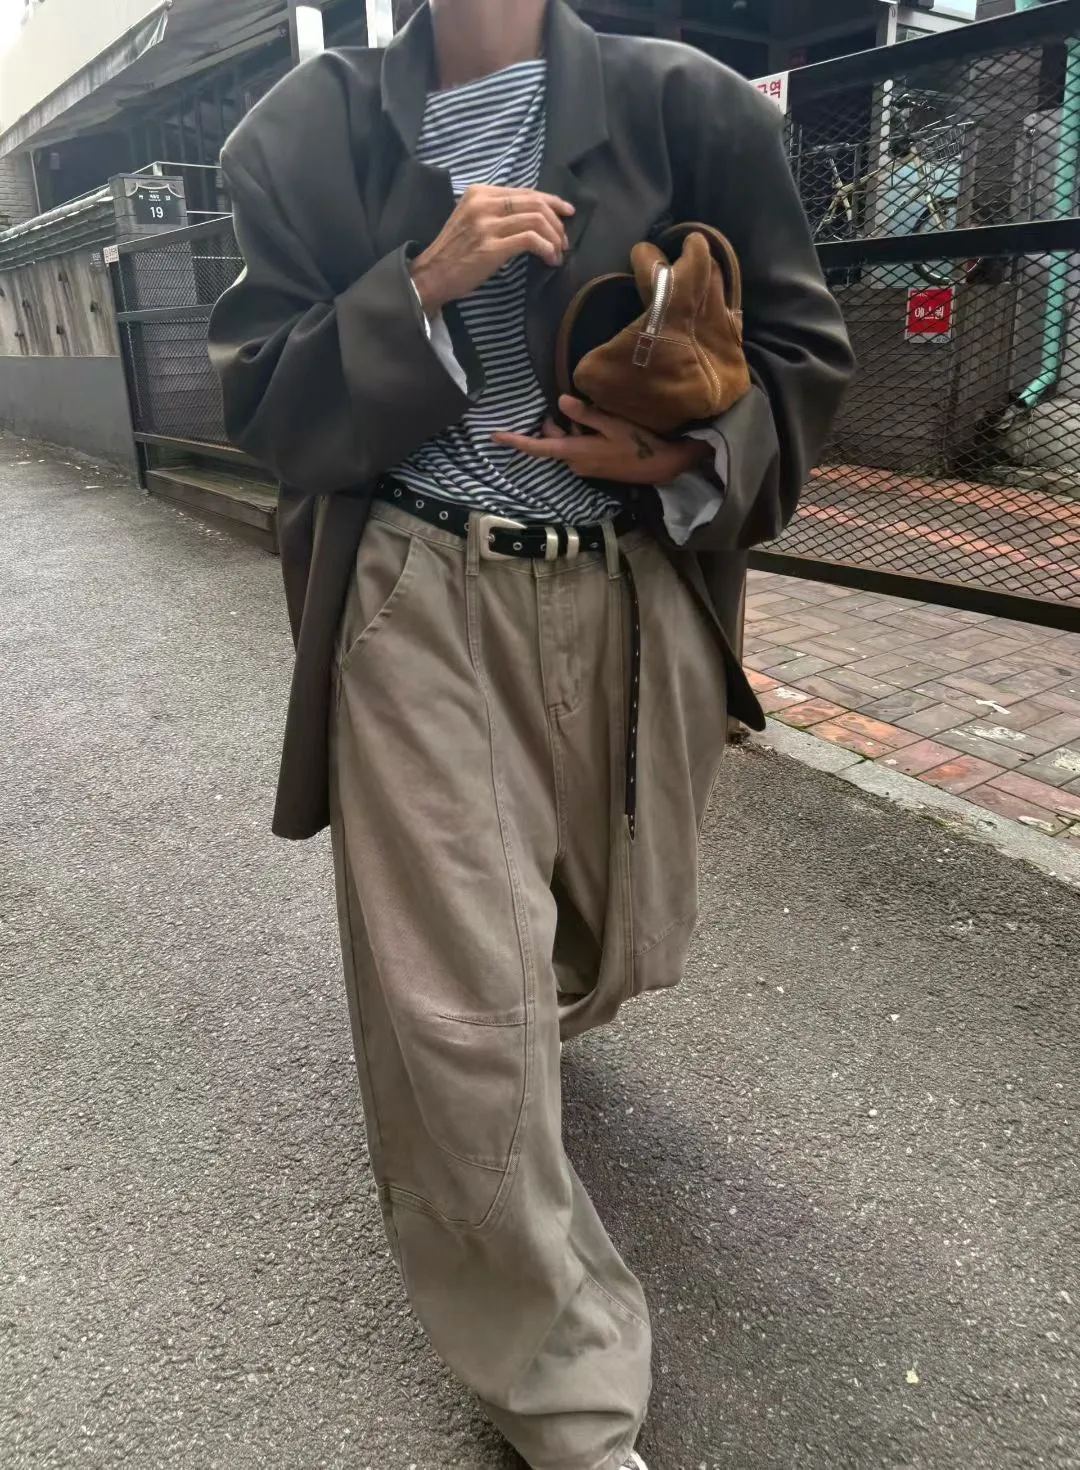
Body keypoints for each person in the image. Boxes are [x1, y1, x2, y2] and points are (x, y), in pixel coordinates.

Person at [208, 1, 854, 1465]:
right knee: (452, 1007)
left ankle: (529, 1028)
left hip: (630, 589)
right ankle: (572, 1400)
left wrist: (682, 451)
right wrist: (420, 287)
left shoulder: (690, 105)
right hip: (412, 589)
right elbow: (264, 402)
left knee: (605, 942)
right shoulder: (301, 134)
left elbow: (807, 353)